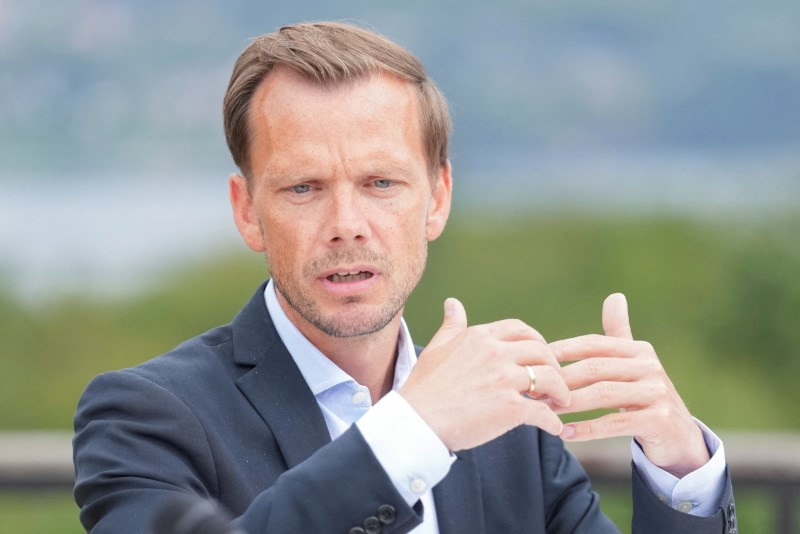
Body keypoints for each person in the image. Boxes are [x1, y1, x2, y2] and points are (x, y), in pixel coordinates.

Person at [73, 22, 737, 534]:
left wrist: (680, 467)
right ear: (248, 211)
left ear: (439, 198)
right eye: (303, 187)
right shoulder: (145, 415)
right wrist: (415, 430)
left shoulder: (514, 427)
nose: (347, 223)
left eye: (380, 183)